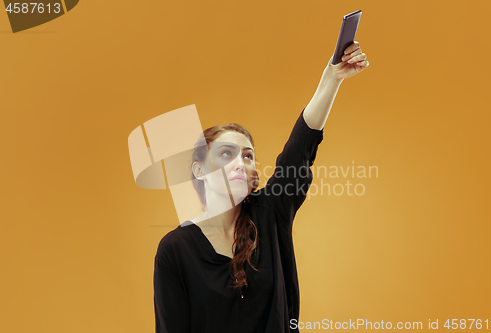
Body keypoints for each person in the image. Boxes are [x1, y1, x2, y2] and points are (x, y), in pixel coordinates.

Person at [154, 41, 369, 333]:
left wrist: (331, 79)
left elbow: (299, 148)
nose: (240, 162)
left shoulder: (270, 214)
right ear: (199, 169)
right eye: (227, 154)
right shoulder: (175, 250)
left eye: (248, 156)